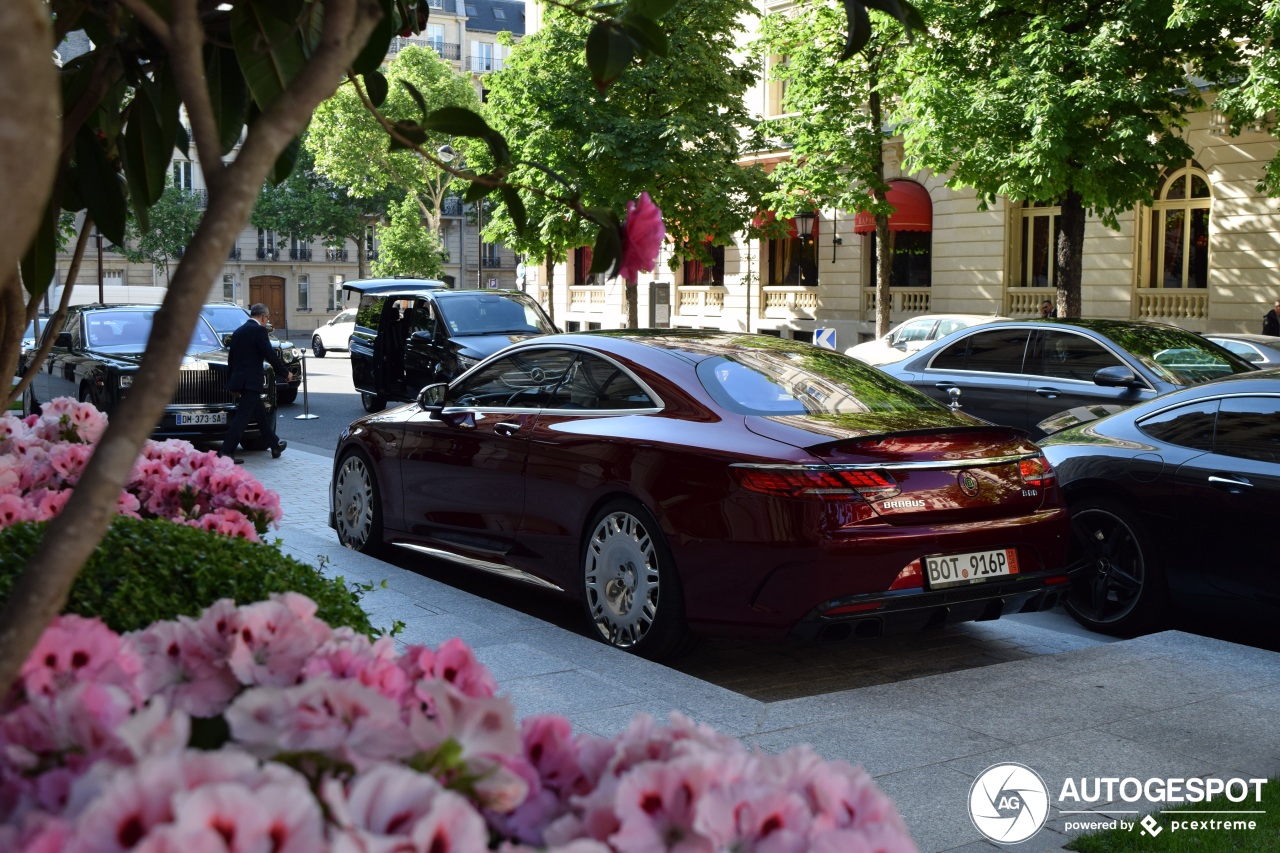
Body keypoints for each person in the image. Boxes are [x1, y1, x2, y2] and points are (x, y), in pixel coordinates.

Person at [220, 303, 291, 462]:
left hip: (241, 381)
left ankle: (274, 445)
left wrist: (232, 383)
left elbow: (232, 360)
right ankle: (225, 452)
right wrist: (285, 372)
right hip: (251, 382)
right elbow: (270, 355)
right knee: (242, 419)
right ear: (264, 317)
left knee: (261, 416)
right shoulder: (259, 331)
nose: (267, 321)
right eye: (267, 318)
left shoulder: (238, 332)